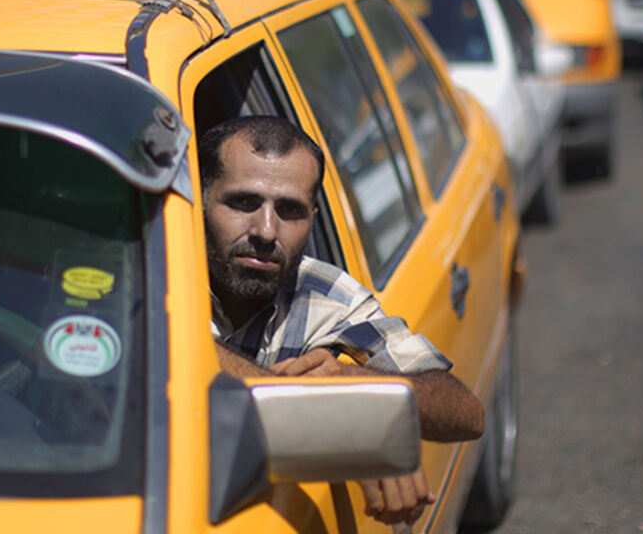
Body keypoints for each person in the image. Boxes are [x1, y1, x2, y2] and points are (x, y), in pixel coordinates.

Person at [199, 116, 485, 526]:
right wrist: (330, 413)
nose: (265, 230)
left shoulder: (325, 293)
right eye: (244, 203)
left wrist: (360, 393)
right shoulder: (150, 285)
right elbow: (161, 338)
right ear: (200, 200)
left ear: (312, 219)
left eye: (289, 210)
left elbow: (467, 413)